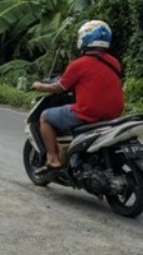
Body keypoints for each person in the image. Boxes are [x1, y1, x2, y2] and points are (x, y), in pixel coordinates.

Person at [31, 20, 125, 173]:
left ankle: (52, 158)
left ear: (85, 38)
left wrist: (39, 86)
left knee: (45, 117)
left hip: (87, 113)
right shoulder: (114, 62)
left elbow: (58, 87)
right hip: (113, 114)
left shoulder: (78, 64)